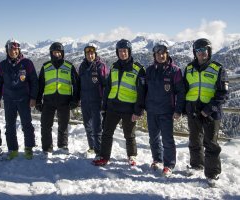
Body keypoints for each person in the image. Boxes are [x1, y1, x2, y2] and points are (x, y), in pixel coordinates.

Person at [92, 39, 146, 166]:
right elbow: (108, 87)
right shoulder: (114, 67)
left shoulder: (138, 69)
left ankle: (132, 156)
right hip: (112, 106)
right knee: (106, 133)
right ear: (117, 52)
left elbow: (142, 92)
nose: (123, 53)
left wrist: (138, 110)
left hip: (129, 108)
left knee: (129, 135)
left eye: (125, 51)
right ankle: (104, 156)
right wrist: (104, 106)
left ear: (129, 52)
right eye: (120, 51)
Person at [184, 38, 228, 185]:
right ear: (194, 53)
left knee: (211, 143)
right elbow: (184, 90)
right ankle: (196, 165)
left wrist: (207, 110)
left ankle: (212, 174)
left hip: (211, 112)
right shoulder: (189, 68)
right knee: (194, 140)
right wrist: (184, 108)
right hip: (193, 111)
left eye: (204, 51)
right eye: (198, 51)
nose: (201, 54)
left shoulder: (218, 68)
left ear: (209, 52)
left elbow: (223, 94)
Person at [0, 39, 38, 160]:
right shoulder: (2, 65)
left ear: (19, 50)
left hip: (24, 99)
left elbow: (34, 81)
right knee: (10, 126)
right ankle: (12, 149)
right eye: (11, 49)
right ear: (7, 50)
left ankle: (29, 148)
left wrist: (33, 97)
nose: (13, 51)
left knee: (27, 125)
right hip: (8, 100)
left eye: (15, 49)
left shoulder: (27, 63)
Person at [145, 44, 185, 176]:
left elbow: (181, 92)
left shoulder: (175, 70)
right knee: (153, 138)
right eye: (158, 54)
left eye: (163, 53)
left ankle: (169, 165)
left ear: (167, 54)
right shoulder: (150, 70)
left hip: (167, 111)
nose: (161, 56)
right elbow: (144, 90)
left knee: (167, 139)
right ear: (154, 56)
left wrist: (178, 110)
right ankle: (157, 159)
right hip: (151, 110)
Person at [36, 42, 79, 155]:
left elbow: (76, 85)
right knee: (45, 125)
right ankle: (46, 148)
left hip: (65, 100)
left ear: (63, 53)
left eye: (59, 52)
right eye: (55, 52)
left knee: (63, 125)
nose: (57, 55)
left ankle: (63, 145)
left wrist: (75, 99)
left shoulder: (69, 66)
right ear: (51, 53)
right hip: (48, 100)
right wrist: (38, 100)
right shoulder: (46, 67)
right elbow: (40, 85)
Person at [78, 43, 109, 156]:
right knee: (88, 126)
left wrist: (104, 102)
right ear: (85, 54)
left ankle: (99, 150)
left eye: (92, 53)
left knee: (97, 127)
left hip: (97, 101)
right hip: (85, 101)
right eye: (88, 53)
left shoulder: (101, 66)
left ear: (95, 54)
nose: (90, 56)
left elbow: (106, 85)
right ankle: (92, 146)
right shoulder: (82, 66)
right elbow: (79, 84)